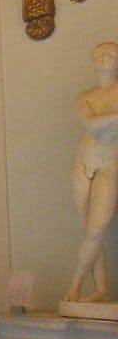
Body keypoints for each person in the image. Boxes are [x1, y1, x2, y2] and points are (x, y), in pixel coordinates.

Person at [64, 41, 118, 304]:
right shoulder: (84, 96)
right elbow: (92, 125)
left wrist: (104, 120)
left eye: (111, 52)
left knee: (96, 230)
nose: (104, 56)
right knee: (87, 228)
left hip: (110, 164)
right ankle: (101, 289)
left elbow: (98, 124)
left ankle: (75, 284)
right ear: (93, 61)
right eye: (98, 53)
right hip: (84, 161)